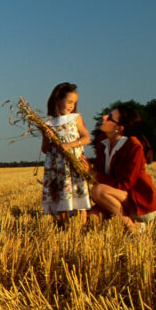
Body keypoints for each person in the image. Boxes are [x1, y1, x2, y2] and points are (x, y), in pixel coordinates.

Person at [88, 105, 156, 232]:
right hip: (118, 198)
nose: (104, 117)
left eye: (110, 117)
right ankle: (125, 225)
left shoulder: (133, 146)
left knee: (98, 191)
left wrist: (93, 173)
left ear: (119, 128)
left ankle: (133, 229)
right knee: (91, 217)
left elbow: (124, 184)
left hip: (140, 203)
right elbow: (100, 174)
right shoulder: (102, 143)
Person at [41, 82, 92, 224]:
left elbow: (86, 138)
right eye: (69, 102)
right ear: (58, 99)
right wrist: (47, 138)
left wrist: (69, 145)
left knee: (79, 194)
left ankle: (82, 226)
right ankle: (64, 227)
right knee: (61, 198)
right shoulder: (48, 123)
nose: (72, 106)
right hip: (57, 167)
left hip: (73, 164)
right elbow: (44, 150)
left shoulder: (75, 118)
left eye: (74, 103)